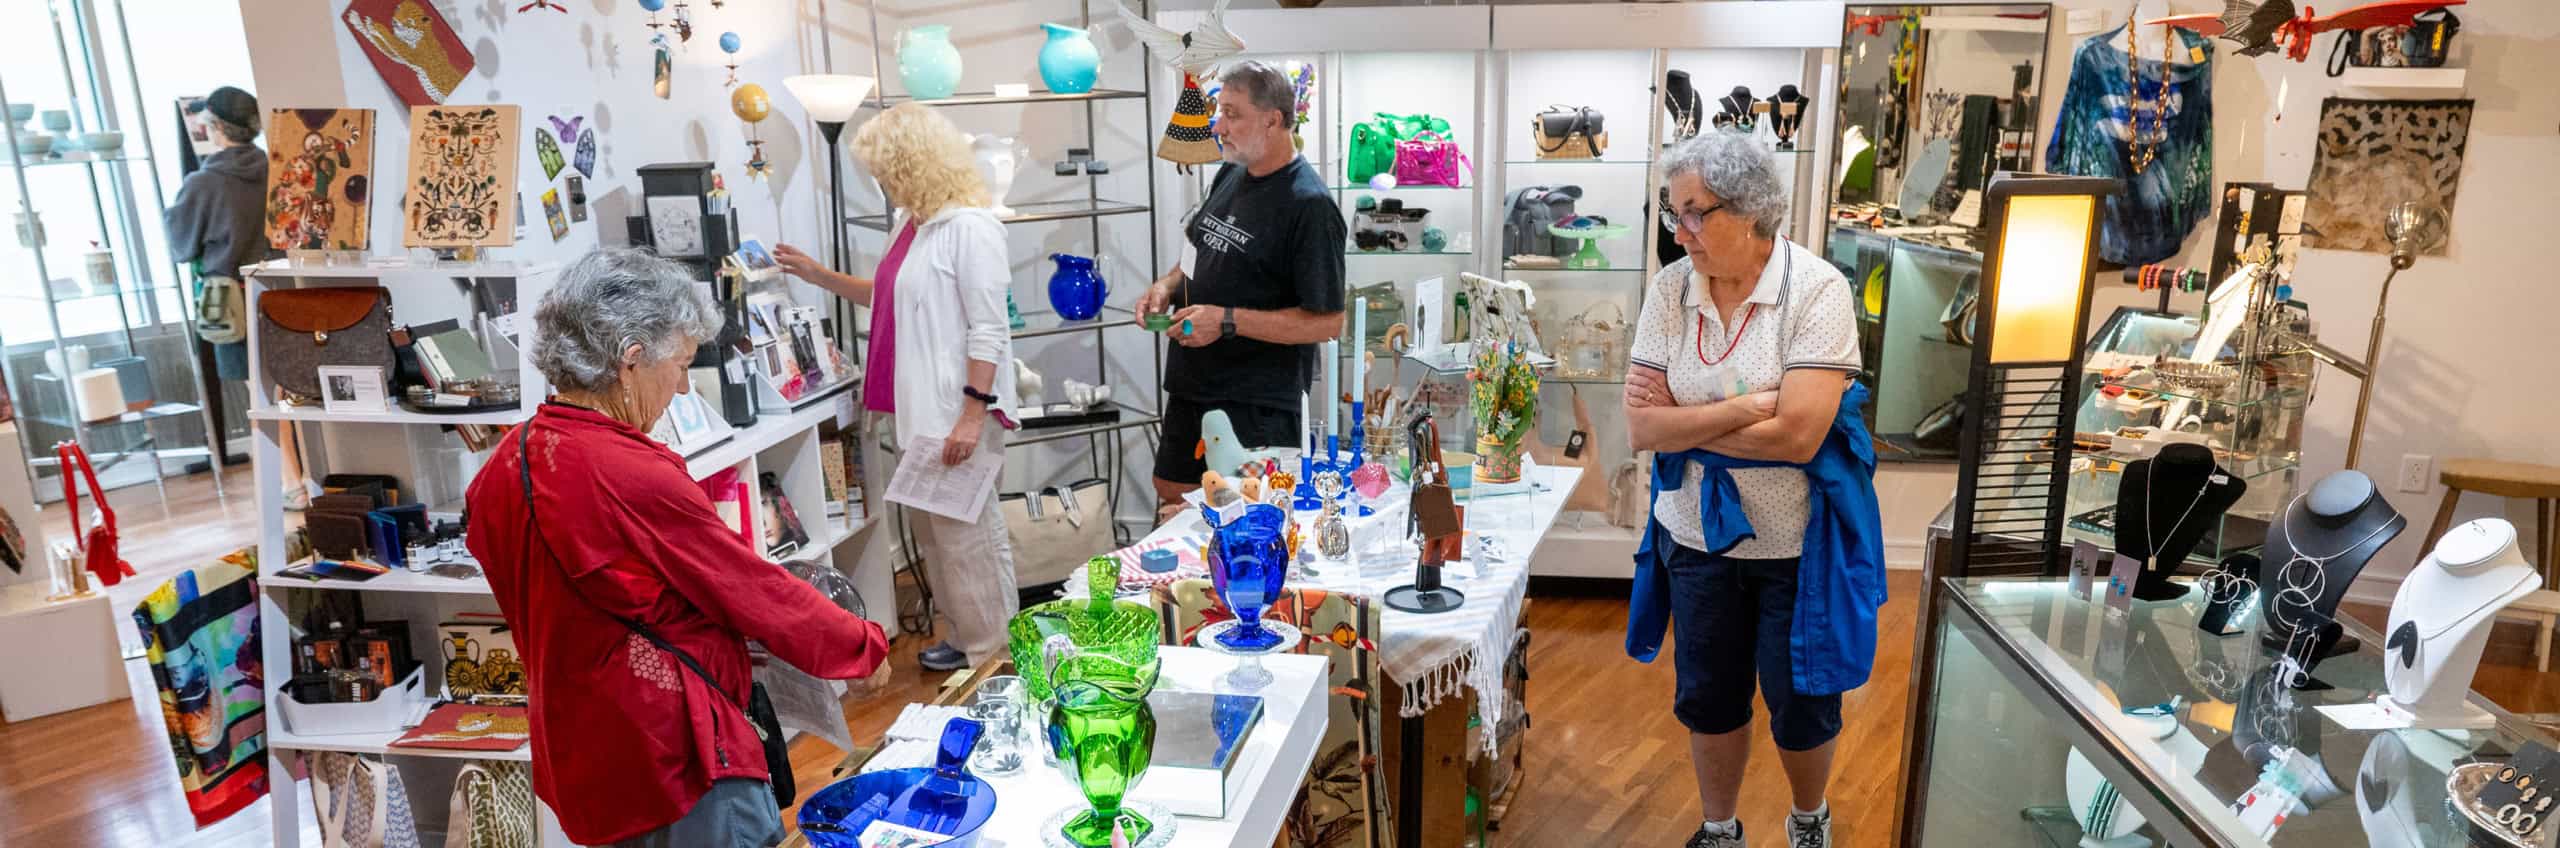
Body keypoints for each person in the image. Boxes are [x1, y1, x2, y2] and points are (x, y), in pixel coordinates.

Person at [464, 249, 891, 848]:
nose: (685, 386)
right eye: (682, 364)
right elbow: (750, 588)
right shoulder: (630, 472)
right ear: (630, 361)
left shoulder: (505, 463)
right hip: (672, 757)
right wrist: (859, 649)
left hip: (580, 751)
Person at [1620, 131, 1885, 848]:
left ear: (1749, 209)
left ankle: (1808, 819)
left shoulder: (1817, 289)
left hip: (1797, 543)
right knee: (1708, 696)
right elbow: (1640, 427)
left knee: (1801, 701)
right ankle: (1719, 829)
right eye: (1672, 214)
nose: (1680, 232)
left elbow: (1799, 436)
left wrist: (1685, 419)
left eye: (1694, 213)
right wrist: (1742, 410)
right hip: (1695, 534)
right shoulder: (1670, 290)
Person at [774, 103, 1017, 673]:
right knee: (937, 538)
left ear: (912, 164)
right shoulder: (911, 226)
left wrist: (972, 414)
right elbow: (887, 296)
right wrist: (818, 275)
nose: (878, 182)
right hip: (922, 413)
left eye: (883, 170)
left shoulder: (971, 228)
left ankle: (992, 655)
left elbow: (989, 328)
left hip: (957, 413)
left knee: (968, 541)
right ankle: (963, 636)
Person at [1136, 59, 1346, 515]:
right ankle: (1177, 589)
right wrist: (1165, 286)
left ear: (1272, 120)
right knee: (1171, 496)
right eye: (1219, 111)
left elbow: (1328, 322)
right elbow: (1198, 249)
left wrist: (1226, 321)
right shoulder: (1231, 173)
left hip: (1255, 400)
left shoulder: (1309, 206)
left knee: (1246, 515)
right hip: (1193, 383)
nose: (1218, 125)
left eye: (1232, 113)